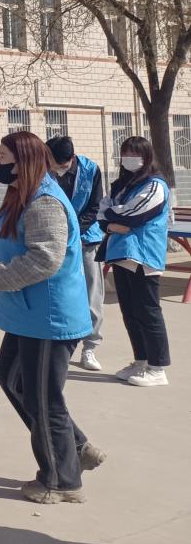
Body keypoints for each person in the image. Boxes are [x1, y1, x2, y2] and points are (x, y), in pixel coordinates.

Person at [0, 131, 105, 504]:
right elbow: (13, 246)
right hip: (26, 313)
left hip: (49, 318)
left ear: (23, 161)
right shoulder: (20, 195)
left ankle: (61, 481)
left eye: (4, 157)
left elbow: (44, 259)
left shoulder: (44, 202)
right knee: (13, 381)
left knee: (43, 399)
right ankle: (76, 447)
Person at [102, 136, 172, 387]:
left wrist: (112, 217)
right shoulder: (123, 185)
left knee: (148, 312)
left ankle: (157, 367)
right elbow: (103, 211)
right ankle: (141, 360)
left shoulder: (155, 185)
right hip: (121, 255)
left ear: (147, 156)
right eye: (126, 153)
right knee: (130, 312)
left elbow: (133, 215)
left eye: (135, 153)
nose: (129, 158)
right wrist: (111, 223)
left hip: (143, 256)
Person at [46, 136, 106, 371]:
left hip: (85, 240)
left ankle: (90, 346)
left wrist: (73, 232)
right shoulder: (44, 170)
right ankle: (57, 342)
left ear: (70, 159)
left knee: (92, 293)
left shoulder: (90, 170)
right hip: (54, 241)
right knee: (57, 293)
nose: (52, 166)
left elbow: (95, 206)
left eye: (56, 163)